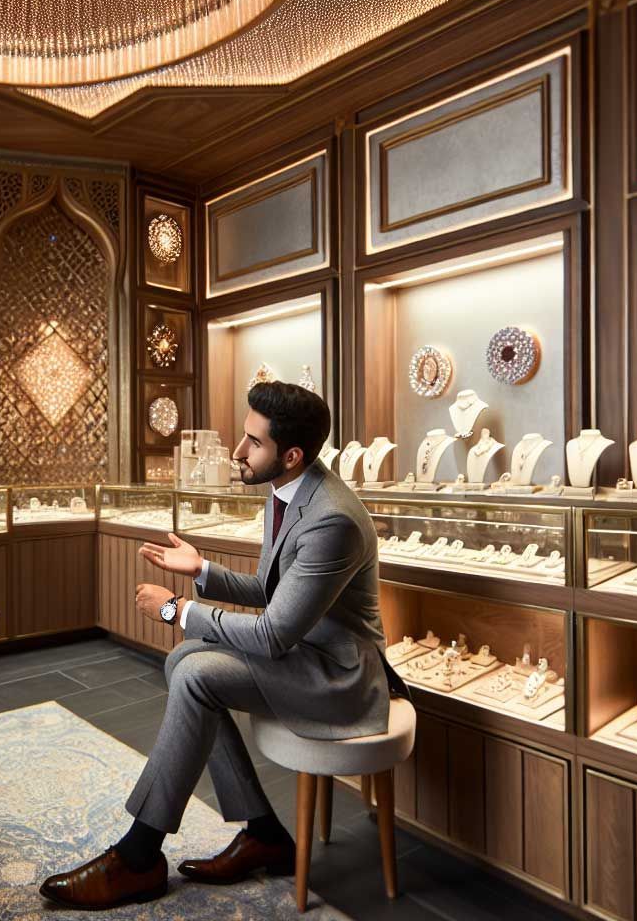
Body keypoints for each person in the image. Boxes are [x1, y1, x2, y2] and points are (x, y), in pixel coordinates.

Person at [40, 381, 399, 909]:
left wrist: (176, 610)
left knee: (194, 670)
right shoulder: (290, 491)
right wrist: (202, 570)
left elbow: (275, 633)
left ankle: (140, 855)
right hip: (304, 653)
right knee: (186, 659)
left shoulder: (332, 520)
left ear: (291, 455)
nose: (237, 452)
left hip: (337, 676)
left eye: (253, 442)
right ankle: (262, 833)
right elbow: (274, 595)